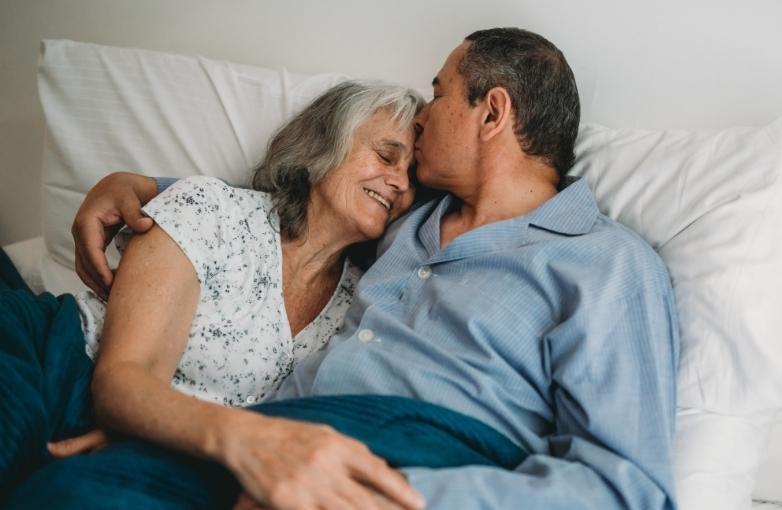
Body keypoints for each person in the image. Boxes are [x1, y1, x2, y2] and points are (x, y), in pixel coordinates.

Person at [29, 27, 680, 509]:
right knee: (67, 492)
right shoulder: (407, 223)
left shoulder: (608, 265)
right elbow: (310, 202)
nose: (422, 116)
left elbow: (626, 487)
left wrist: (394, 498)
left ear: (493, 111)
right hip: (267, 440)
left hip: (419, 460)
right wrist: (139, 184)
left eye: (438, 93)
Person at [1, 81, 452, 510]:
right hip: (50, 362)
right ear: (324, 144)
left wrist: (152, 436)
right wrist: (149, 427)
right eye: (385, 156)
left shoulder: (363, 303)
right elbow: (122, 381)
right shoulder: (212, 210)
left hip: (163, 446)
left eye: (411, 175)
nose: (399, 182)